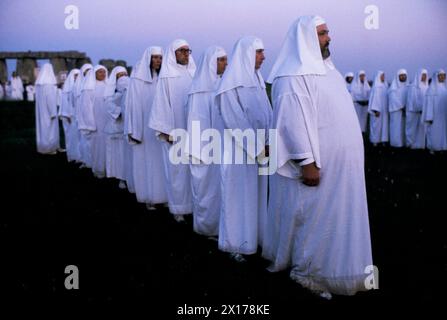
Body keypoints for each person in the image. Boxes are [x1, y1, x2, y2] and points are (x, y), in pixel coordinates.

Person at [264, 16, 373, 299]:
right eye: (323, 33)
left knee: (338, 220)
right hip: (318, 166)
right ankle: (308, 273)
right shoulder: (292, 75)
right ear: (306, 38)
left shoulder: (330, 72)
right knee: (314, 220)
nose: (329, 38)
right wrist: (307, 162)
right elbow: (291, 122)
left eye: (328, 32)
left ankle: (335, 269)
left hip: (342, 169)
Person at [214, 36, 272, 262]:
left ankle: (254, 238)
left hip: (258, 152)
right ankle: (234, 244)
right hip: (238, 152)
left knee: (256, 196)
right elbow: (234, 120)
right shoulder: (230, 84)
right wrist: (257, 147)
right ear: (247, 54)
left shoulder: (257, 80)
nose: (263, 57)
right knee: (237, 196)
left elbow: (266, 113)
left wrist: (268, 142)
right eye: (259, 52)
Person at [149, 40, 196, 220]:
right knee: (177, 171)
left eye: (187, 50)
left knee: (193, 170)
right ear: (173, 54)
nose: (185, 54)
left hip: (193, 131)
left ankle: (193, 207)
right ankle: (178, 210)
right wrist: (165, 130)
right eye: (181, 51)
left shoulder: (194, 73)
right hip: (175, 130)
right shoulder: (167, 77)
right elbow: (161, 103)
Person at [186, 45, 227, 237]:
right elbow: (196, 124)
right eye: (221, 60)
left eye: (226, 59)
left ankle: (221, 228)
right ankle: (206, 229)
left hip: (221, 150)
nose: (225, 63)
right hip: (204, 152)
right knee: (206, 192)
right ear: (211, 63)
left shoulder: (222, 85)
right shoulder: (199, 91)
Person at [126, 47, 168, 208]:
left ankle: (162, 196)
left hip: (158, 126)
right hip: (143, 127)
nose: (158, 61)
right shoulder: (137, 80)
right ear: (148, 59)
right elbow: (133, 106)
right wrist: (134, 130)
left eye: (160, 58)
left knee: (160, 163)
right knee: (146, 163)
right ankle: (149, 197)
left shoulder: (163, 78)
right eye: (155, 58)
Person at [79, 65, 108, 178]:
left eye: (104, 72)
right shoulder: (89, 88)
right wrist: (90, 124)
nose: (102, 74)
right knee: (97, 147)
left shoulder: (108, 86)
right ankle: (99, 170)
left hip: (107, 122)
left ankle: (108, 169)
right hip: (96, 123)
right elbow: (86, 108)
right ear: (94, 74)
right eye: (100, 72)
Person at [104, 66, 129, 188]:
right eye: (120, 75)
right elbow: (109, 106)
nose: (123, 77)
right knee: (119, 155)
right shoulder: (111, 95)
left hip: (128, 128)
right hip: (117, 129)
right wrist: (120, 111)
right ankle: (121, 178)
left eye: (125, 74)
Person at [34, 63, 60, 154]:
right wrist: (53, 112)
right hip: (49, 112)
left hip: (42, 111)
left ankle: (43, 147)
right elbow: (50, 99)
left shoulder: (39, 85)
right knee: (50, 130)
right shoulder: (49, 85)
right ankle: (50, 147)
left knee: (43, 129)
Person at [58, 68, 80, 161]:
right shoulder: (67, 88)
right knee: (71, 137)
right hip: (70, 115)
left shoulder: (81, 86)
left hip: (79, 115)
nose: (77, 77)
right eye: (75, 75)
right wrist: (67, 114)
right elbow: (64, 103)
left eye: (78, 75)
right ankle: (72, 154)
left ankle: (80, 156)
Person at [423, 69, 447, 152]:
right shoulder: (431, 90)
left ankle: (442, 147)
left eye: (444, 75)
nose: (442, 77)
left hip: (442, 116)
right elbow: (429, 105)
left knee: (442, 133)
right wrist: (429, 117)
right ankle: (432, 148)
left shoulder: (444, 89)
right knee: (433, 133)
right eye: (440, 75)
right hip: (434, 117)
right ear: (436, 77)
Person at [74, 63, 93, 167]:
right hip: (80, 115)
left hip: (93, 115)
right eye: (86, 71)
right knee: (83, 139)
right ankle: (85, 159)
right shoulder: (78, 85)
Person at [406, 69, 429, 149]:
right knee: (413, 129)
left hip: (423, 112)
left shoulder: (426, 86)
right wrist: (419, 108)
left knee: (422, 129)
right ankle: (411, 145)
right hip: (414, 112)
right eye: (423, 74)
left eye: (425, 75)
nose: (424, 76)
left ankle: (420, 145)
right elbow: (413, 100)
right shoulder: (413, 87)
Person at [388, 69, 409, 148]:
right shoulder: (393, 88)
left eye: (404, 75)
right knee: (396, 128)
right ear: (398, 77)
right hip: (396, 111)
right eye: (401, 75)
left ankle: (403, 143)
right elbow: (393, 99)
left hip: (405, 111)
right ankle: (395, 144)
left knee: (404, 127)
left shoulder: (408, 87)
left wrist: (406, 107)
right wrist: (401, 107)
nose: (403, 77)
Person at [368, 71, 389, 145]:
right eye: (382, 76)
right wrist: (375, 110)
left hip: (384, 111)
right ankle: (375, 141)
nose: (383, 77)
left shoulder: (385, 86)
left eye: (384, 76)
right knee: (376, 127)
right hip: (377, 111)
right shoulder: (376, 87)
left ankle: (383, 140)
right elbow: (374, 99)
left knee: (384, 127)